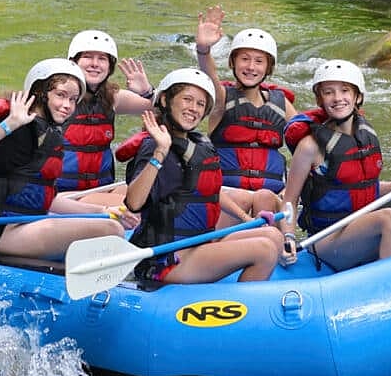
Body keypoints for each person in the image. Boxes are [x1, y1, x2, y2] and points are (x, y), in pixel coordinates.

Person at [118, 68, 284, 284]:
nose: (193, 109)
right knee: (264, 250)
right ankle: (242, 311)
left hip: (197, 244)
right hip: (165, 259)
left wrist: (248, 220)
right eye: (187, 99)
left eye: (200, 104)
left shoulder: (198, 144)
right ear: (166, 100)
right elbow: (134, 202)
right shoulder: (155, 146)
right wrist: (160, 152)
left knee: (273, 236)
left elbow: (211, 191)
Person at [0, 58, 127, 260]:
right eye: (61, 95)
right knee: (111, 230)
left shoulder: (49, 133)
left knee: (108, 221)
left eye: (73, 99)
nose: (67, 105)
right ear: (40, 93)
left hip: (26, 223)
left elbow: (48, 199)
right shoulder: (15, 126)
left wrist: (103, 210)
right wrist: (8, 125)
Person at [279, 60, 391, 269]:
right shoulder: (310, 146)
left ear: (357, 96)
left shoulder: (365, 135)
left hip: (360, 229)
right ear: (320, 98)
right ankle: (388, 290)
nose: (337, 98)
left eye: (345, 91)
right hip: (326, 239)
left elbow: (360, 190)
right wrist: (287, 236)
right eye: (328, 92)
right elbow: (289, 200)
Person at [194, 6, 297, 226]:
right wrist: (203, 50)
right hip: (227, 198)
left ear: (268, 67)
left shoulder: (282, 104)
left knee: (264, 197)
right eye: (244, 59)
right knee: (248, 197)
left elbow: (308, 147)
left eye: (259, 61)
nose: (251, 67)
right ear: (233, 62)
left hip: (270, 200)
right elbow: (208, 74)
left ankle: (278, 243)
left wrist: (291, 192)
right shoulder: (221, 98)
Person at [57, 29, 154, 205]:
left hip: (98, 190)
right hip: (61, 197)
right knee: (136, 203)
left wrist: (147, 92)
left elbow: (165, 110)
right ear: (73, 61)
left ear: (109, 67)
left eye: (102, 59)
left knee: (153, 190)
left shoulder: (112, 98)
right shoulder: (54, 97)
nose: (95, 64)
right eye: (87, 56)